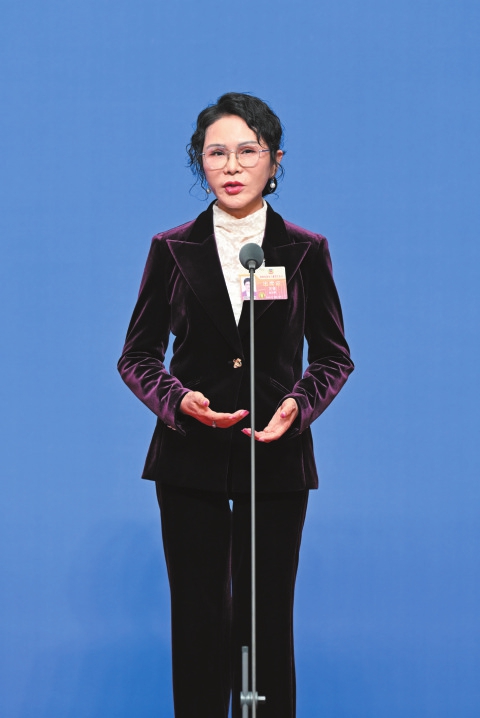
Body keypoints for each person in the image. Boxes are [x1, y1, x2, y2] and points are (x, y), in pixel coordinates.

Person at [118, 92, 354, 718]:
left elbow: (334, 357)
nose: (231, 166)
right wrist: (178, 401)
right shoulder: (171, 248)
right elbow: (136, 356)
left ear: (275, 160)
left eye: (247, 152)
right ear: (199, 162)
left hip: (274, 459)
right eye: (215, 152)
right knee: (197, 621)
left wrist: (297, 407)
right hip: (188, 460)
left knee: (266, 621)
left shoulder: (305, 250)